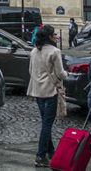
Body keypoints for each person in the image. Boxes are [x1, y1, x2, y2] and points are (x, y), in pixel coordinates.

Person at [28, 24, 66, 168]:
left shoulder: (33, 51)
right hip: (51, 90)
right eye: (54, 34)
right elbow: (60, 73)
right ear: (49, 37)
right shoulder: (55, 52)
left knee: (45, 122)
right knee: (47, 124)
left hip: (37, 90)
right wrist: (67, 74)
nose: (56, 36)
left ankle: (51, 152)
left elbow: (31, 71)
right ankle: (40, 155)